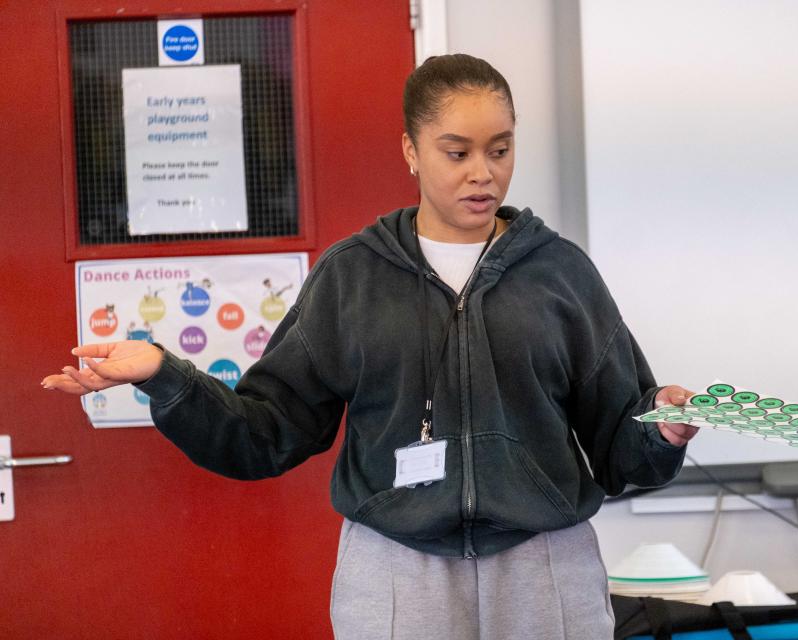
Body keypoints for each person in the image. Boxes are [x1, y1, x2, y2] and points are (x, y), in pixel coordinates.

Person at [43, 54, 699, 640]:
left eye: (499, 150)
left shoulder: (559, 272)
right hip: (395, 568)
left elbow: (619, 443)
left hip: (543, 566)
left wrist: (661, 429)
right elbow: (268, 431)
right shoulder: (351, 276)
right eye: (456, 151)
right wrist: (166, 376)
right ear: (411, 151)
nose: (482, 173)